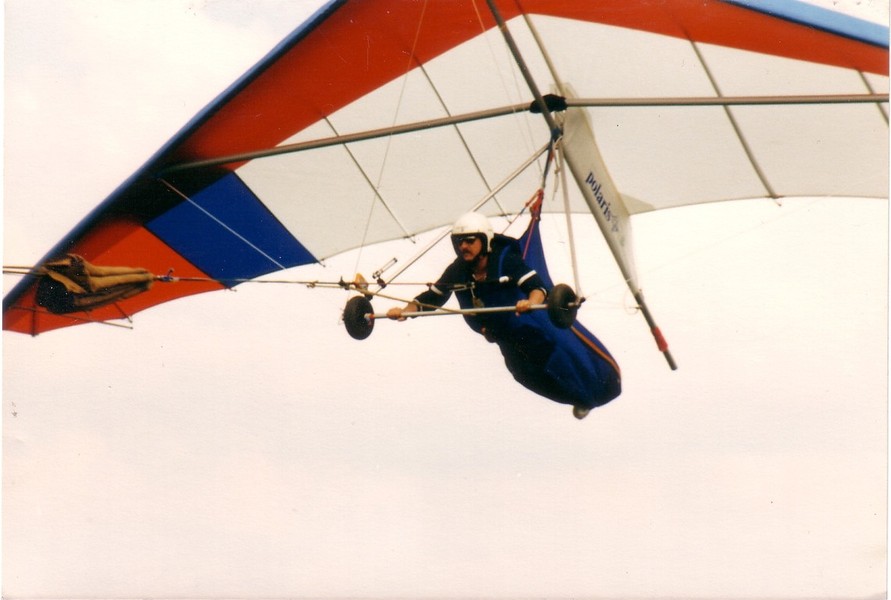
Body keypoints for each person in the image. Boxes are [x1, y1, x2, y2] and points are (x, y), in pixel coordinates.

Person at [387, 212, 621, 419]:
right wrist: (405, 311)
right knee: (522, 375)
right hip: (502, 336)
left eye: (470, 241)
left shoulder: (505, 260)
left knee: (550, 362)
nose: (463, 247)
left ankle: (585, 395)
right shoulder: (458, 270)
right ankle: (579, 399)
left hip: (527, 329)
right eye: (459, 242)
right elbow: (432, 298)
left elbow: (537, 288)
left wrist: (530, 303)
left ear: (485, 241)